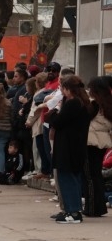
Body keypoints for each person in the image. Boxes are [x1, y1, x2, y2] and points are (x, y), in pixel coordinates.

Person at [46, 74, 92, 224]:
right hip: (75, 145)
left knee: (67, 178)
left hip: (68, 147)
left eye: (62, 88)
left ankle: (73, 211)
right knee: (72, 178)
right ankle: (71, 209)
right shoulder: (83, 103)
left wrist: (54, 111)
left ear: (67, 89)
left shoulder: (73, 104)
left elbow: (57, 122)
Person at [83, 77, 112, 217]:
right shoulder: (107, 103)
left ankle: (92, 207)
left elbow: (84, 118)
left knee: (90, 176)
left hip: (91, 141)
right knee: (96, 175)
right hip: (102, 142)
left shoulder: (94, 104)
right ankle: (98, 206)